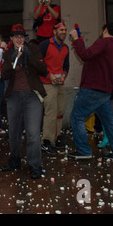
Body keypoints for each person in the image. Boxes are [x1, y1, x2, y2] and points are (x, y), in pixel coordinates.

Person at [68, 23, 113, 160]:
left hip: (93, 87)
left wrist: (76, 39)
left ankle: (83, 150)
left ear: (105, 30)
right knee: (109, 121)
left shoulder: (104, 42)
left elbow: (85, 55)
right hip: (105, 88)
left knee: (77, 117)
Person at [0, 24, 47, 179]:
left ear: (25, 38)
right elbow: (4, 75)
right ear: (12, 39)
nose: (19, 39)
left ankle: (35, 165)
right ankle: (14, 161)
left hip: (32, 95)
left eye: (22, 36)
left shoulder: (32, 49)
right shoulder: (8, 54)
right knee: (14, 132)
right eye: (16, 36)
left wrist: (28, 56)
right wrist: (12, 60)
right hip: (14, 96)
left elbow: (42, 68)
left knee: (33, 133)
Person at [39, 22, 70, 154]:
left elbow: (66, 66)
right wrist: (49, 75)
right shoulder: (45, 45)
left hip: (60, 84)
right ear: (54, 31)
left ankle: (55, 138)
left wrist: (63, 76)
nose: (63, 32)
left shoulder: (65, 47)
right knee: (51, 112)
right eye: (61, 30)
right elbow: (39, 63)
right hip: (47, 83)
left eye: (65, 30)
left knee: (60, 112)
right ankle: (46, 141)